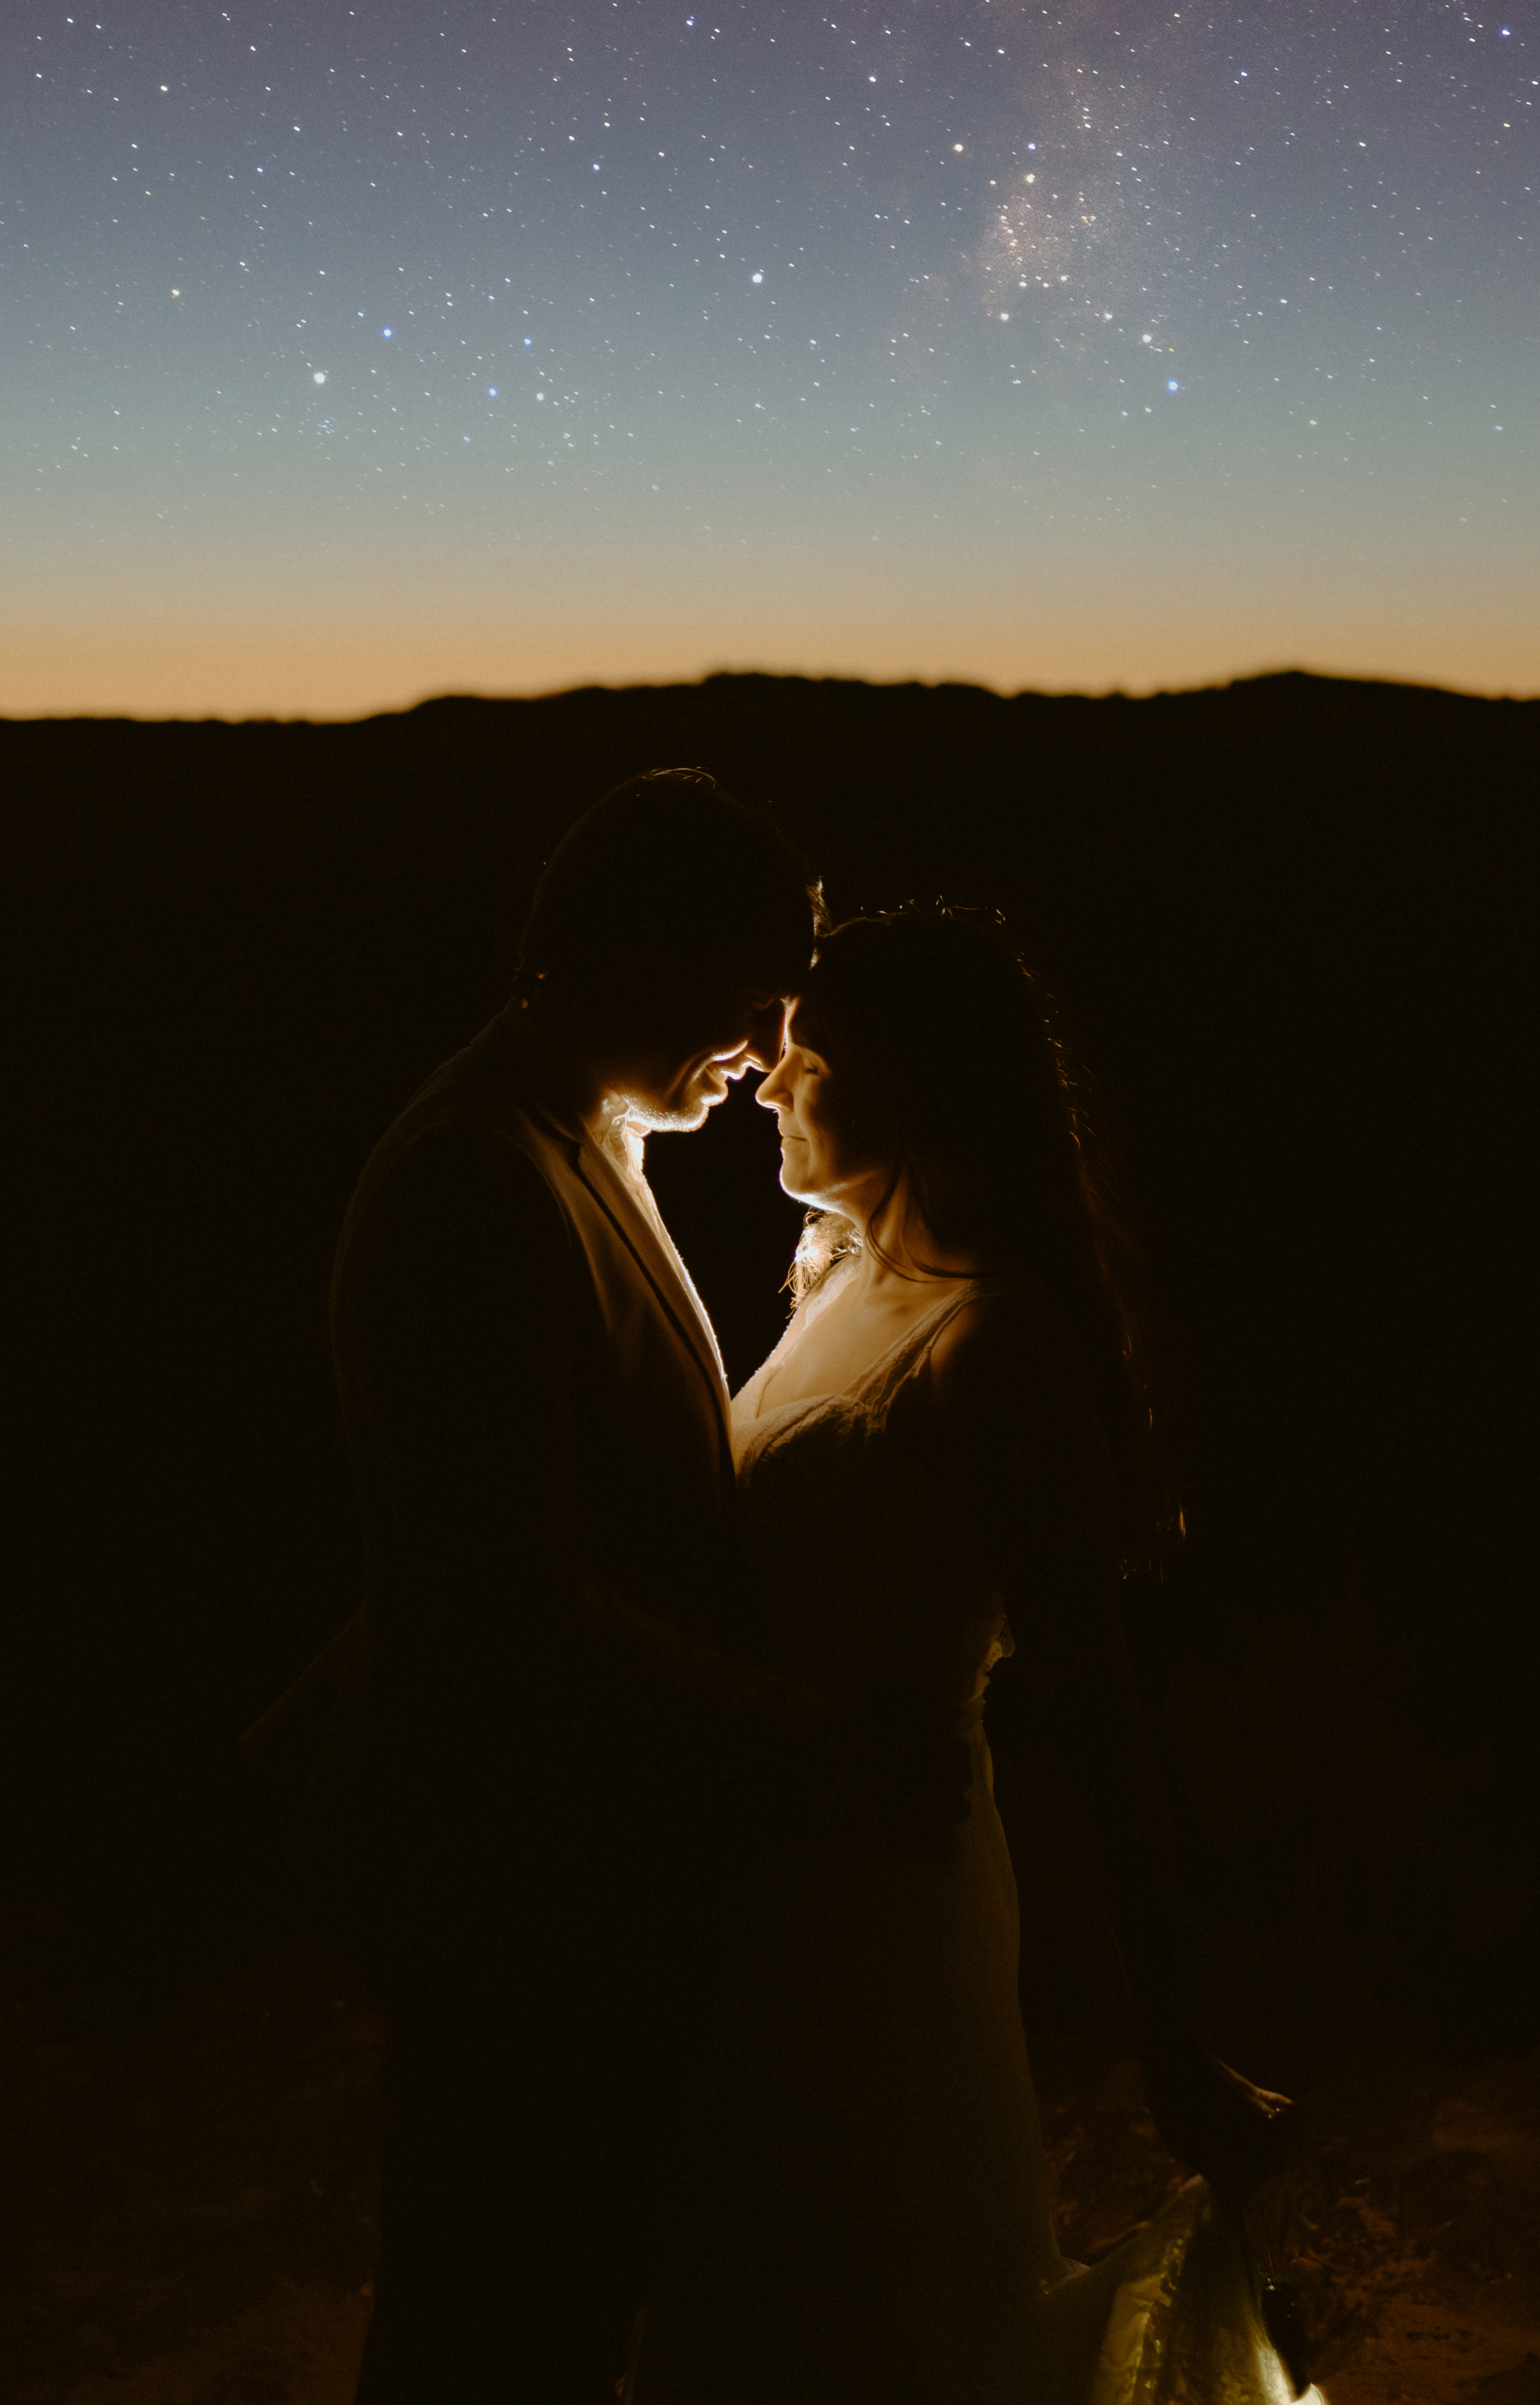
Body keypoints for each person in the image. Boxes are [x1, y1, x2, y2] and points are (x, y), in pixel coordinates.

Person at [633, 907, 1312, 2405]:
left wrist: (1173, 2036)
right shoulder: (838, 1281)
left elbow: (1097, 1706)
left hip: (888, 1903)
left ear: (903, 1087)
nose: (763, 1074)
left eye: (803, 1049)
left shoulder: (997, 1352)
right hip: (765, 1879)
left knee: (878, 2305)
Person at [330, 767, 932, 2401]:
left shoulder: (580, 1135)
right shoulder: (476, 1178)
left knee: (561, 2327)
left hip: (599, 1901)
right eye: (747, 998)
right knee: (495, 2334)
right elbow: (504, 1607)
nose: (760, 1054)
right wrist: (808, 1736)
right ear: (632, 951)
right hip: (524, 1910)